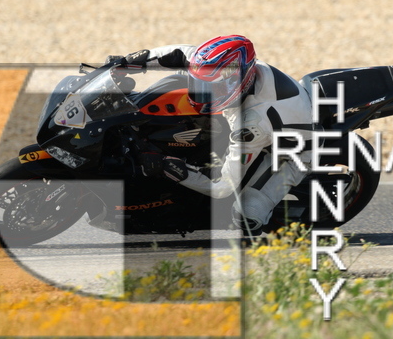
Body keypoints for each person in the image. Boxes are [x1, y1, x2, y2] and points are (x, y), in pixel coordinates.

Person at [120, 35, 313, 235]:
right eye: (198, 84)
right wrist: (127, 62)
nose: (200, 93)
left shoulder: (252, 124)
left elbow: (222, 186)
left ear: (236, 82)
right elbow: (179, 53)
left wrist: (169, 166)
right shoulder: (220, 70)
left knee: (247, 215)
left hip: (292, 153)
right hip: (259, 119)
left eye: (210, 88)